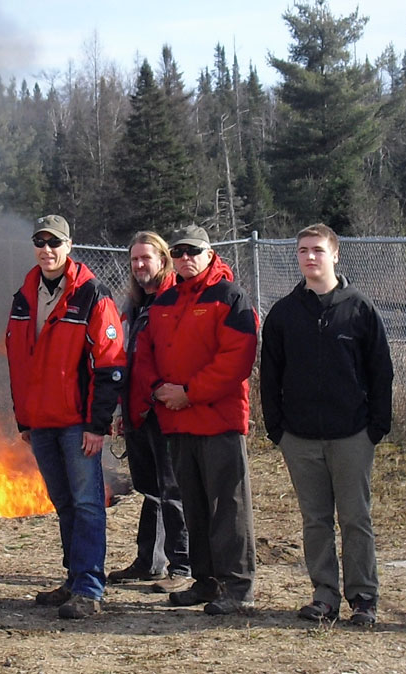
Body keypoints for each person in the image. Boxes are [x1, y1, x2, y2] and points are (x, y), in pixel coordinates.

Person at [260, 223, 393, 626]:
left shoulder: (359, 309)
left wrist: (376, 427)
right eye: (302, 251)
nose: (310, 257)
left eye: (317, 249)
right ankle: (324, 595)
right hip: (299, 437)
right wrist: (277, 429)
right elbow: (270, 374)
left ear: (335, 254)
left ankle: (363, 597)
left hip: (352, 435)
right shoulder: (284, 313)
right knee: (315, 520)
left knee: (355, 518)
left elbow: (380, 371)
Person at [132, 225, 259, 616]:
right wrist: (157, 389)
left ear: (209, 253)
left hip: (218, 420)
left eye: (194, 251)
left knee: (229, 506)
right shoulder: (165, 300)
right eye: (180, 252)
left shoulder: (230, 297)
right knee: (193, 504)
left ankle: (237, 586)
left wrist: (189, 392)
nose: (186, 258)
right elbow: (145, 351)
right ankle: (205, 581)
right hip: (176, 422)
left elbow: (236, 358)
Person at [5, 214, 125, 620]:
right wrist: (24, 419)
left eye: (54, 243)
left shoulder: (92, 293)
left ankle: (90, 588)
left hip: (77, 422)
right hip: (40, 423)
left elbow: (109, 365)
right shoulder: (25, 296)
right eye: (40, 242)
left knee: (88, 502)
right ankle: (74, 579)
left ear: (69, 246)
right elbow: (19, 362)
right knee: (64, 503)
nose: (47, 250)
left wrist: (97, 424)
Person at [109, 231, 191, 594]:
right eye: (135, 260)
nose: (140, 265)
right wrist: (119, 408)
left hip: (167, 410)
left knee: (173, 490)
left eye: (147, 258)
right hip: (137, 410)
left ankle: (183, 565)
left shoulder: (175, 299)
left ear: (163, 260)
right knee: (150, 489)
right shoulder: (134, 304)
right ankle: (150, 562)